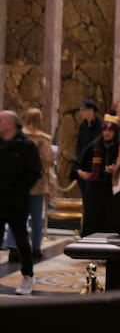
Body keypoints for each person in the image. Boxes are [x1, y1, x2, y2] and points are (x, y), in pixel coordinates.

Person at [0, 110, 43, 295]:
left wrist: (20, 189)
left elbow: (35, 172)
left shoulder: (27, 146)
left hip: (17, 201)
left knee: (21, 240)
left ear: (9, 124)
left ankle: (27, 276)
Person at [5, 107, 56, 262]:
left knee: (16, 216)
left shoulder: (18, 136)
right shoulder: (44, 139)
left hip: (18, 182)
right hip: (38, 182)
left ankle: (13, 248)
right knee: (36, 218)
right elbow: (48, 160)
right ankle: (36, 248)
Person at [72, 113, 120, 236]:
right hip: (95, 189)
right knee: (92, 220)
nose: (107, 133)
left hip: (112, 190)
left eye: (110, 130)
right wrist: (81, 173)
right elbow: (76, 165)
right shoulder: (94, 146)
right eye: (104, 129)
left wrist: (116, 169)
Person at [74, 98, 102, 198]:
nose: (81, 112)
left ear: (91, 111)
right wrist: (78, 169)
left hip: (95, 169)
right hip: (83, 169)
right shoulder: (83, 126)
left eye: (83, 110)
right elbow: (79, 147)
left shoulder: (101, 126)